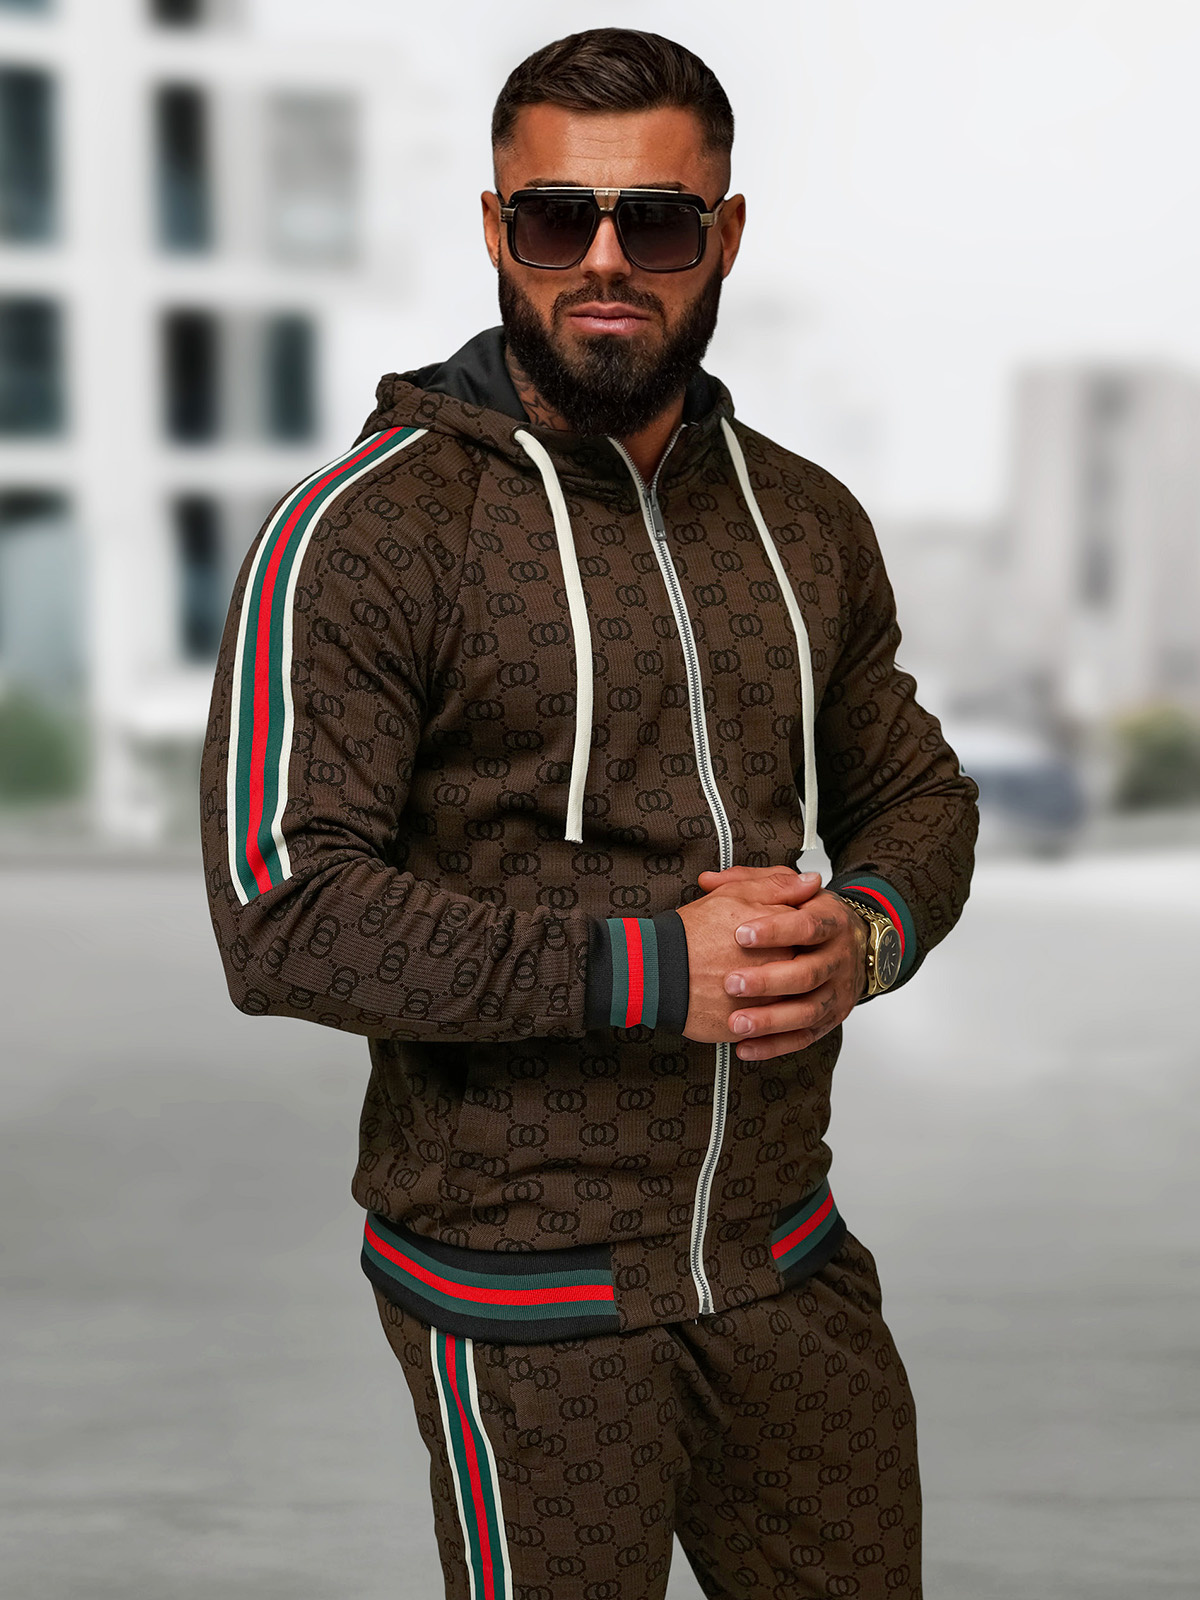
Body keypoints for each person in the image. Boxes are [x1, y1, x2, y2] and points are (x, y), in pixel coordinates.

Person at [201, 28, 977, 1600]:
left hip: (784, 1259)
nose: (605, 260)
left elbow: (914, 789)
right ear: (498, 229)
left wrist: (867, 938)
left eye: (658, 223)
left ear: (725, 235)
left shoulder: (806, 517)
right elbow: (285, 912)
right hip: (525, 1299)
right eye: (559, 219)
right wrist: (653, 967)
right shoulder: (362, 535)